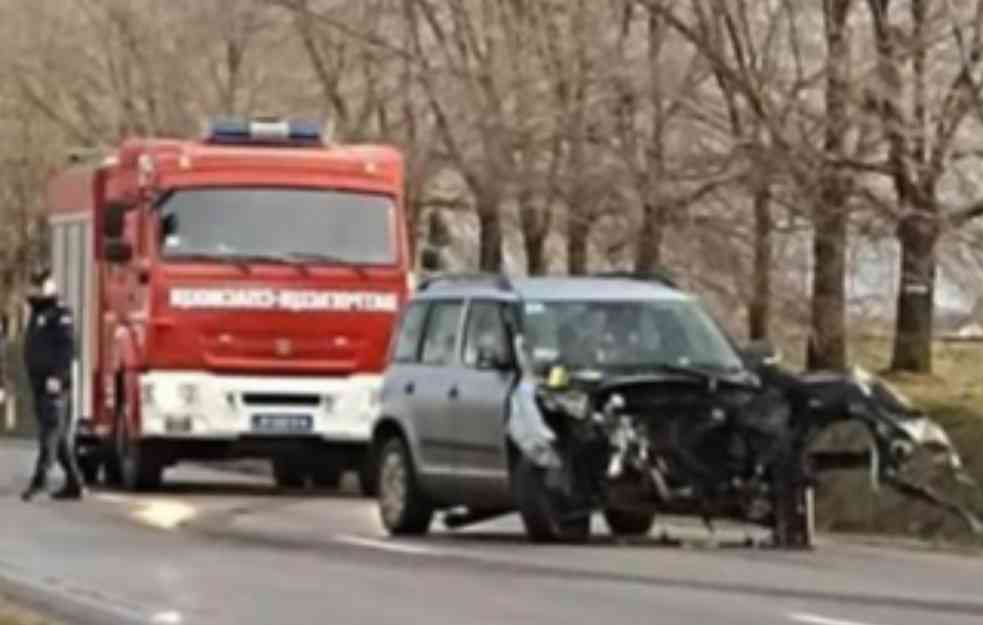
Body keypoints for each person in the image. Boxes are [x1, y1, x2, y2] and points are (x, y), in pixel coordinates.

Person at [20, 268, 84, 501]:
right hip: (39, 383)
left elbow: (66, 350)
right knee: (58, 437)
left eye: (39, 286)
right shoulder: (37, 314)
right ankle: (75, 482)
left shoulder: (60, 314)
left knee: (50, 434)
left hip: (54, 384)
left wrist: (57, 377)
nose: (34, 291)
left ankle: (40, 482)